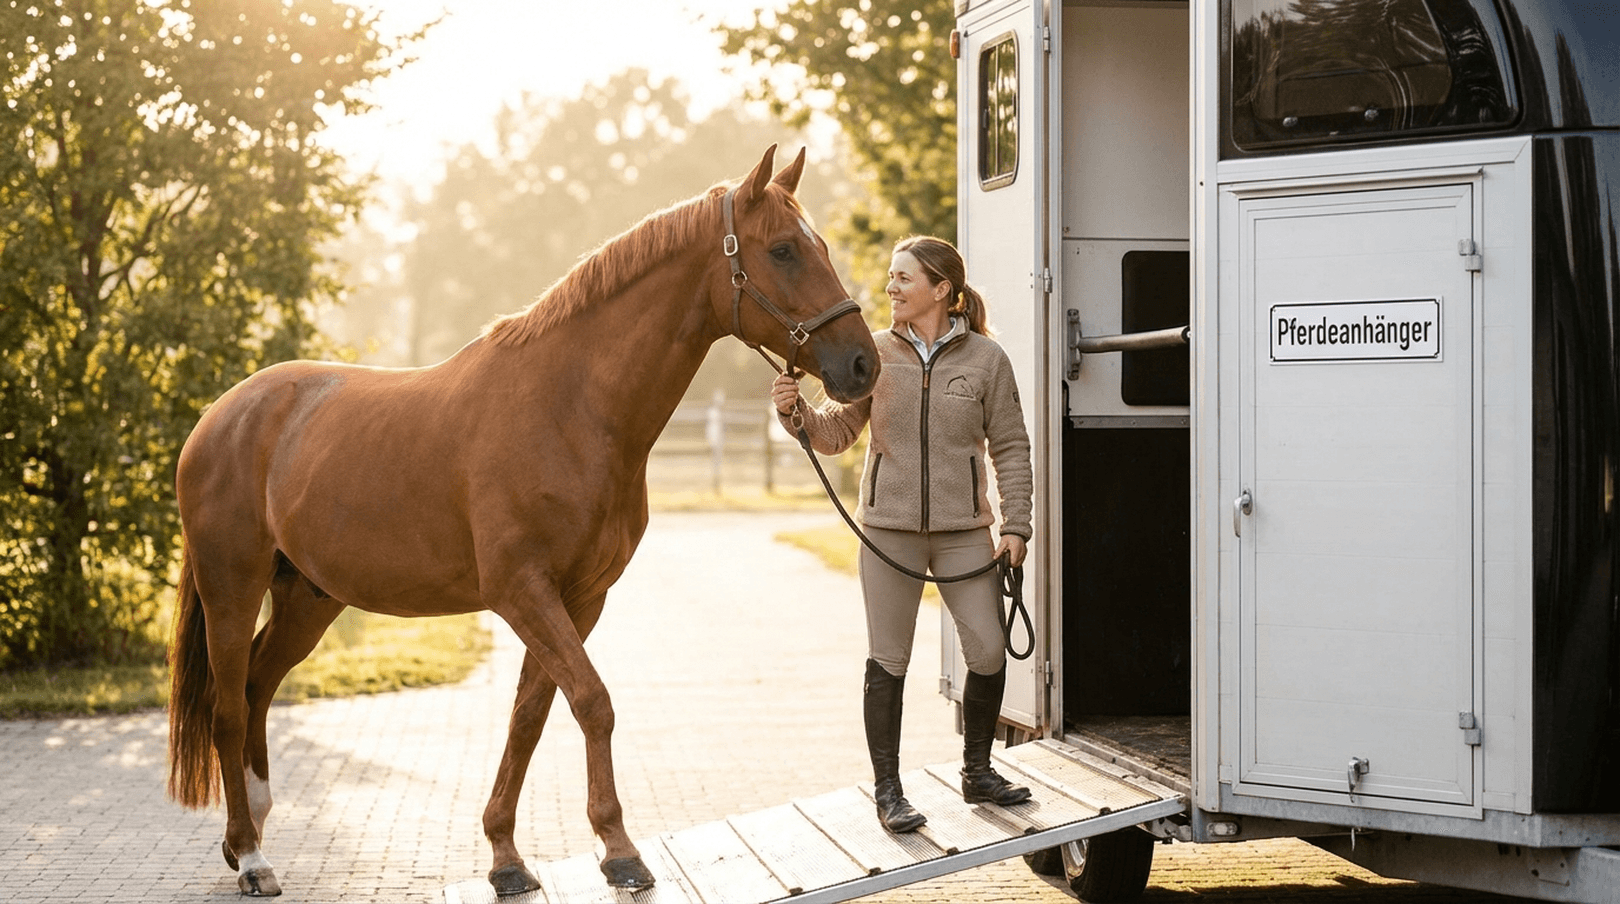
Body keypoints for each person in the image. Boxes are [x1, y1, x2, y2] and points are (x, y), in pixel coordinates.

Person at [772, 235, 1034, 833]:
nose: (890, 288)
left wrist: (1017, 523)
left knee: (989, 649)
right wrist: (796, 415)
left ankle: (978, 771)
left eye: (903, 279)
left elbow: (1011, 447)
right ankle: (889, 791)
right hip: (889, 532)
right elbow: (837, 432)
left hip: (963, 532)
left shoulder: (987, 360)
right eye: (890, 278)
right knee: (889, 659)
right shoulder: (877, 353)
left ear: (942, 290)